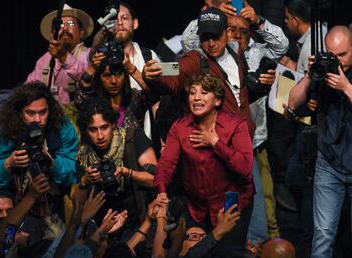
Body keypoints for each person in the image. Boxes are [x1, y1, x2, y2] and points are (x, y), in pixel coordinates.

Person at [154, 74, 254, 247]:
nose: (197, 97)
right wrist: (162, 190)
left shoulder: (235, 124)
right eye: (192, 93)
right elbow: (166, 164)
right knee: (199, 255)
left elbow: (245, 168)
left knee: (228, 257)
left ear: (217, 100)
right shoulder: (181, 127)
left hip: (232, 204)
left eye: (204, 92)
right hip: (198, 208)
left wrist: (215, 142)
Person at [287, 26, 352, 258]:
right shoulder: (323, 72)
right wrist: (310, 74)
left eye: (344, 55)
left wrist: (347, 87)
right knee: (323, 234)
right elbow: (291, 104)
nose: (338, 61)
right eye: (332, 55)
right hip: (329, 164)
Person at [143, 7, 256, 138]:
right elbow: (173, 70)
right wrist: (153, 73)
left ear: (227, 32)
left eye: (216, 36)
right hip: (215, 147)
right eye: (206, 37)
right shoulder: (195, 59)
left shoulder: (236, 51)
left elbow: (240, 93)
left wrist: (264, 85)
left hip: (244, 143)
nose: (211, 43)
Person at [226, 11, 288, 239]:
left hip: (255, 140)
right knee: (231, 197)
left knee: (265, 195)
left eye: (243, 31)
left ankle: (270, 248)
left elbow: (282, 45)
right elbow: (187, 42)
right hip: (226, 143)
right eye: (232, 29)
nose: (237, 35)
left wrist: (259, 20)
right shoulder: (214, 56)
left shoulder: (258, 53)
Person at [76, 97, 158, 236]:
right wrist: (85, 180)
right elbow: (78, 206)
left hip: (137, 221)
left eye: (104, 127)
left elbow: (156, 180)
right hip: (102, 228)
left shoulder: (132, 138)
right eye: (93, 130)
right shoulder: (84, 155)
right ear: (85, 130)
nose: (100, 135)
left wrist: (128, 173)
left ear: (113, 124)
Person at [0, 81, 78, 191]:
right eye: (31, 113)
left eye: (43, 112)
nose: (38, 120)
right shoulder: (4, 127)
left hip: (53, 189)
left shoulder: (61, 125)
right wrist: (8, 163)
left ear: (50, 110)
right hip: (14, 192)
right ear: (20, 113)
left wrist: (53, 163)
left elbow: (73, 172)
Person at [26, 4, 94, 105]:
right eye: (60, 25)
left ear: (81, 32)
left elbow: (89, 81)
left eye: (71, 24)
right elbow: (27, 90)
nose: (65, 28)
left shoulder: (90, 54)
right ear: (52, 34)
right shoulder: (43, 60)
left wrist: (64, 57)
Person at [75, 51, 158, 130]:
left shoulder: (134, 98)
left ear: (125, 76)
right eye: (107, 75)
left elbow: (153, 95)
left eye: (118, 74)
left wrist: (132, 70)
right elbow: (81, 95)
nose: (113, 81)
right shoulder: (93, 101)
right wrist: (91, 69)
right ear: (99, 78)